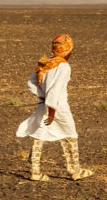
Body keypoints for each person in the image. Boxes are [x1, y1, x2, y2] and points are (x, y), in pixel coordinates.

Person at [16, 34, 92, 181]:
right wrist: (52, 109)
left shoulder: (46, 64)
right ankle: (75, 170)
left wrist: (42, 96)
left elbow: (31, 83)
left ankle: (35, 171)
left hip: (46, 104)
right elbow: (55, 90)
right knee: (70, 135)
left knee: (39, 135)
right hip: (58, 107)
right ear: (67, 50)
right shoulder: (63, 67)